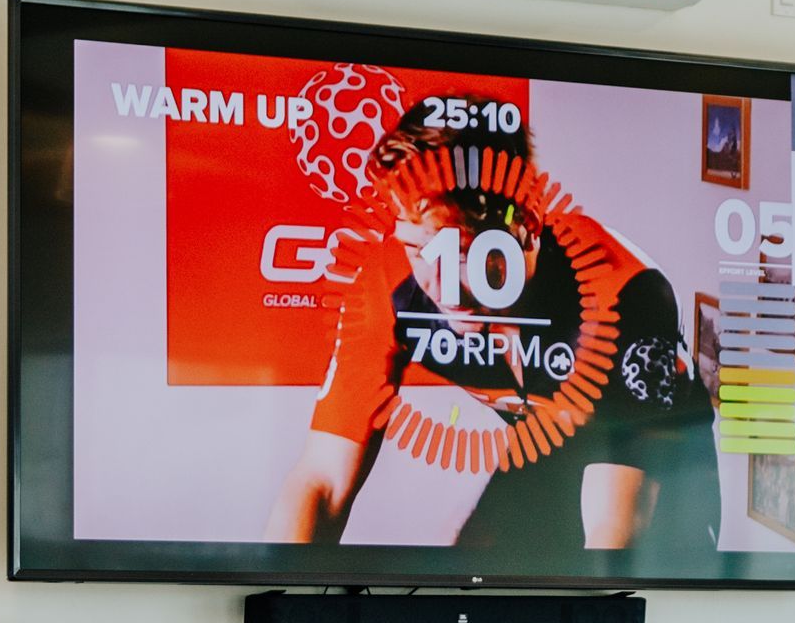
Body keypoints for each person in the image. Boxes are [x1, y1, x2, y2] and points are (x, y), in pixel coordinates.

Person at [267, 104, 718, 573]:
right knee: (469, 565)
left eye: (463, 252)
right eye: (418, 247)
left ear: (527, 225)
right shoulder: (387, 282)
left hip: (659, 459)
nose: (440, 286)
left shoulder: (623, 296)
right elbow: (321, 480)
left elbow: (613, 533)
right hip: (548, 438)